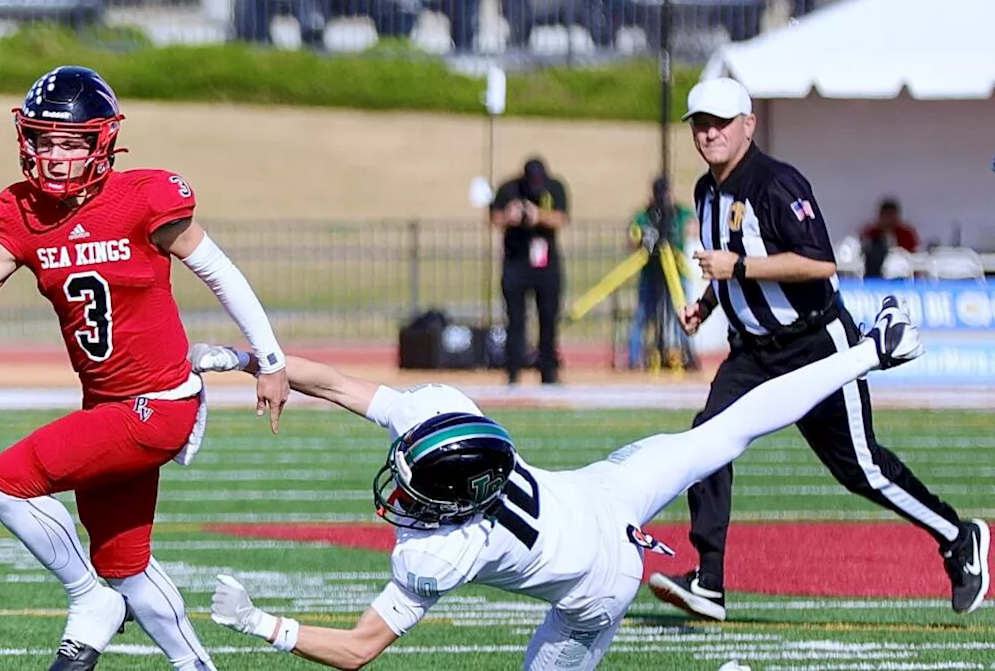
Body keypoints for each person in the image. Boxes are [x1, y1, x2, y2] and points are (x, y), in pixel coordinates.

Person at [185, 297, 955, 671]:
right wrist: (259, 363)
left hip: (600, 581)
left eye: (418, 488)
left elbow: (358, 651)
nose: (402, 491)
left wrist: (263, 625)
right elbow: (347, 389)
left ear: (453, 499)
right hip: (603, 494)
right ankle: (870, 351)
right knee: (723, 434)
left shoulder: (436, 555)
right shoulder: (448, 418)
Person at [0, 65, 290, 671]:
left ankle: (88, 602)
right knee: (125, 562)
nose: (54, 155)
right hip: (106, 404)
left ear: (102, 142)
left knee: (7, 480)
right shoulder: (20, 211)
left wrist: (271, 359)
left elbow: (221, 272)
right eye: (44, 140)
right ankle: (193, 665)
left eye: (70, 142)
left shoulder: (143, 197)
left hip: (156, 404)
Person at [647, 77, 988, 623]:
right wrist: (710, 302)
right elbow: (730, 257)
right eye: (700, 125)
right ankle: (708, 580)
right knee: (705, 443)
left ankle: (957, 535)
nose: (709, 134)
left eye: (720, 122)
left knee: (862, 470)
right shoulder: (706, 191)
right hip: (753, 353)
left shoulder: (777, 183)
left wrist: (737, 270)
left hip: (815, 345)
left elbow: (819, 262)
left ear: (747, 125)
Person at [489, 158, 570, 385]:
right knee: (515, 320)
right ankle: (513, 370)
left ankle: (548, 371)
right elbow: (493, 217)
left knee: (548, 318)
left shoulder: (554, 188)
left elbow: (562, 218)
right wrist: (509, 216)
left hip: (546, 264)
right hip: (517, 262)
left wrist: (539, 215)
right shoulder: (509, 188)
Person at [626, 176, 700, 369]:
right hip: (651, 273)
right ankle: (634, 359)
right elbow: (632, 240)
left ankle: (687, 354)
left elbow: (693, 227)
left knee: (682, 315)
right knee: (643, 315)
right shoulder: (645, 217)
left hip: (675, 273)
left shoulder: (680, 214)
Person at [859, 198, 921, 278]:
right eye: (886, 216)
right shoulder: (871, 232)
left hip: (901, 274)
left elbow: (914, 253)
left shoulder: (906, 233)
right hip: (874, 274)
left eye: (891, 215)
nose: (888, 220)